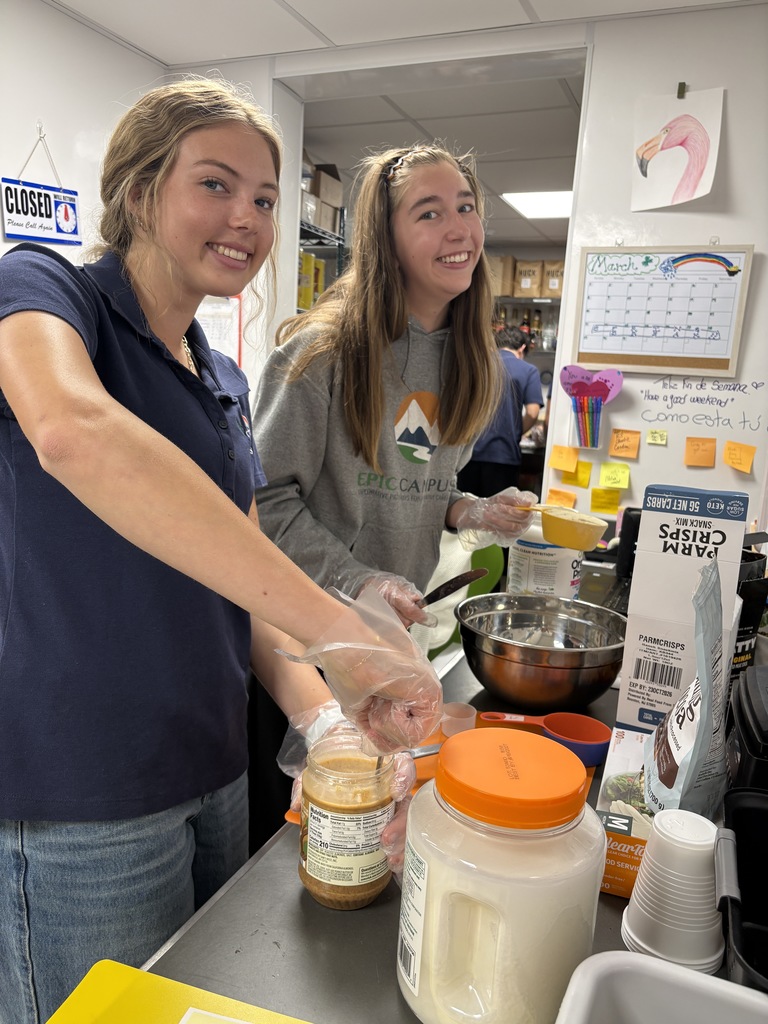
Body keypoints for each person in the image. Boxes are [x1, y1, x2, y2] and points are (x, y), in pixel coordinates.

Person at [0, 79, 441, 1024]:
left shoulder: (224, 378)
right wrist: (342, 626)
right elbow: (71, 431)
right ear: (137, 190)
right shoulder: (41, 291)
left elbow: (239, 585)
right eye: (215, 184)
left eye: (266, 199)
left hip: (214, 774)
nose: (246, 216)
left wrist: (328, 718)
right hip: (83, 793)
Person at [249, 144, 537, 841]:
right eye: (429, 212)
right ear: (385, 238)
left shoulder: (471, 362)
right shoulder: (319, 356)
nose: (459, 229)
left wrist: (470, 511)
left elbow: (418, 483)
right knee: (292, 853)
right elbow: (263, 505)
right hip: (299, 659)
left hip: (385, 654)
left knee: (375, 840)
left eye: (466, 207)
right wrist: (361, 577)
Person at [457, 324, 543, 497]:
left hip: (468, 453)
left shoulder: (478, 364)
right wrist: (516, 433)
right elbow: (533, 412)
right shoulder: (528, 370)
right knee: (498, 516)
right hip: (504, 455)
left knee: (466, 513)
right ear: (522, 348)